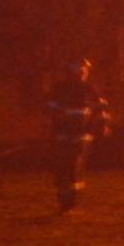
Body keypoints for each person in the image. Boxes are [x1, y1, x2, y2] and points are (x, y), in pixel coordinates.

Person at [44, 58, 110, 212]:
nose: (82, 74)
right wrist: (56, 115)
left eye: (84, 71)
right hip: (62, 134)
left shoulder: (89, 89)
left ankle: (70, 199)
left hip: (81, 135)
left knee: (74, 165)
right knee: (62, 167)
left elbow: (100, 110)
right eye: (80, 71)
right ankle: (64, 198)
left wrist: (102, 126)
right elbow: (48, 107)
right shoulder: (59, 89)